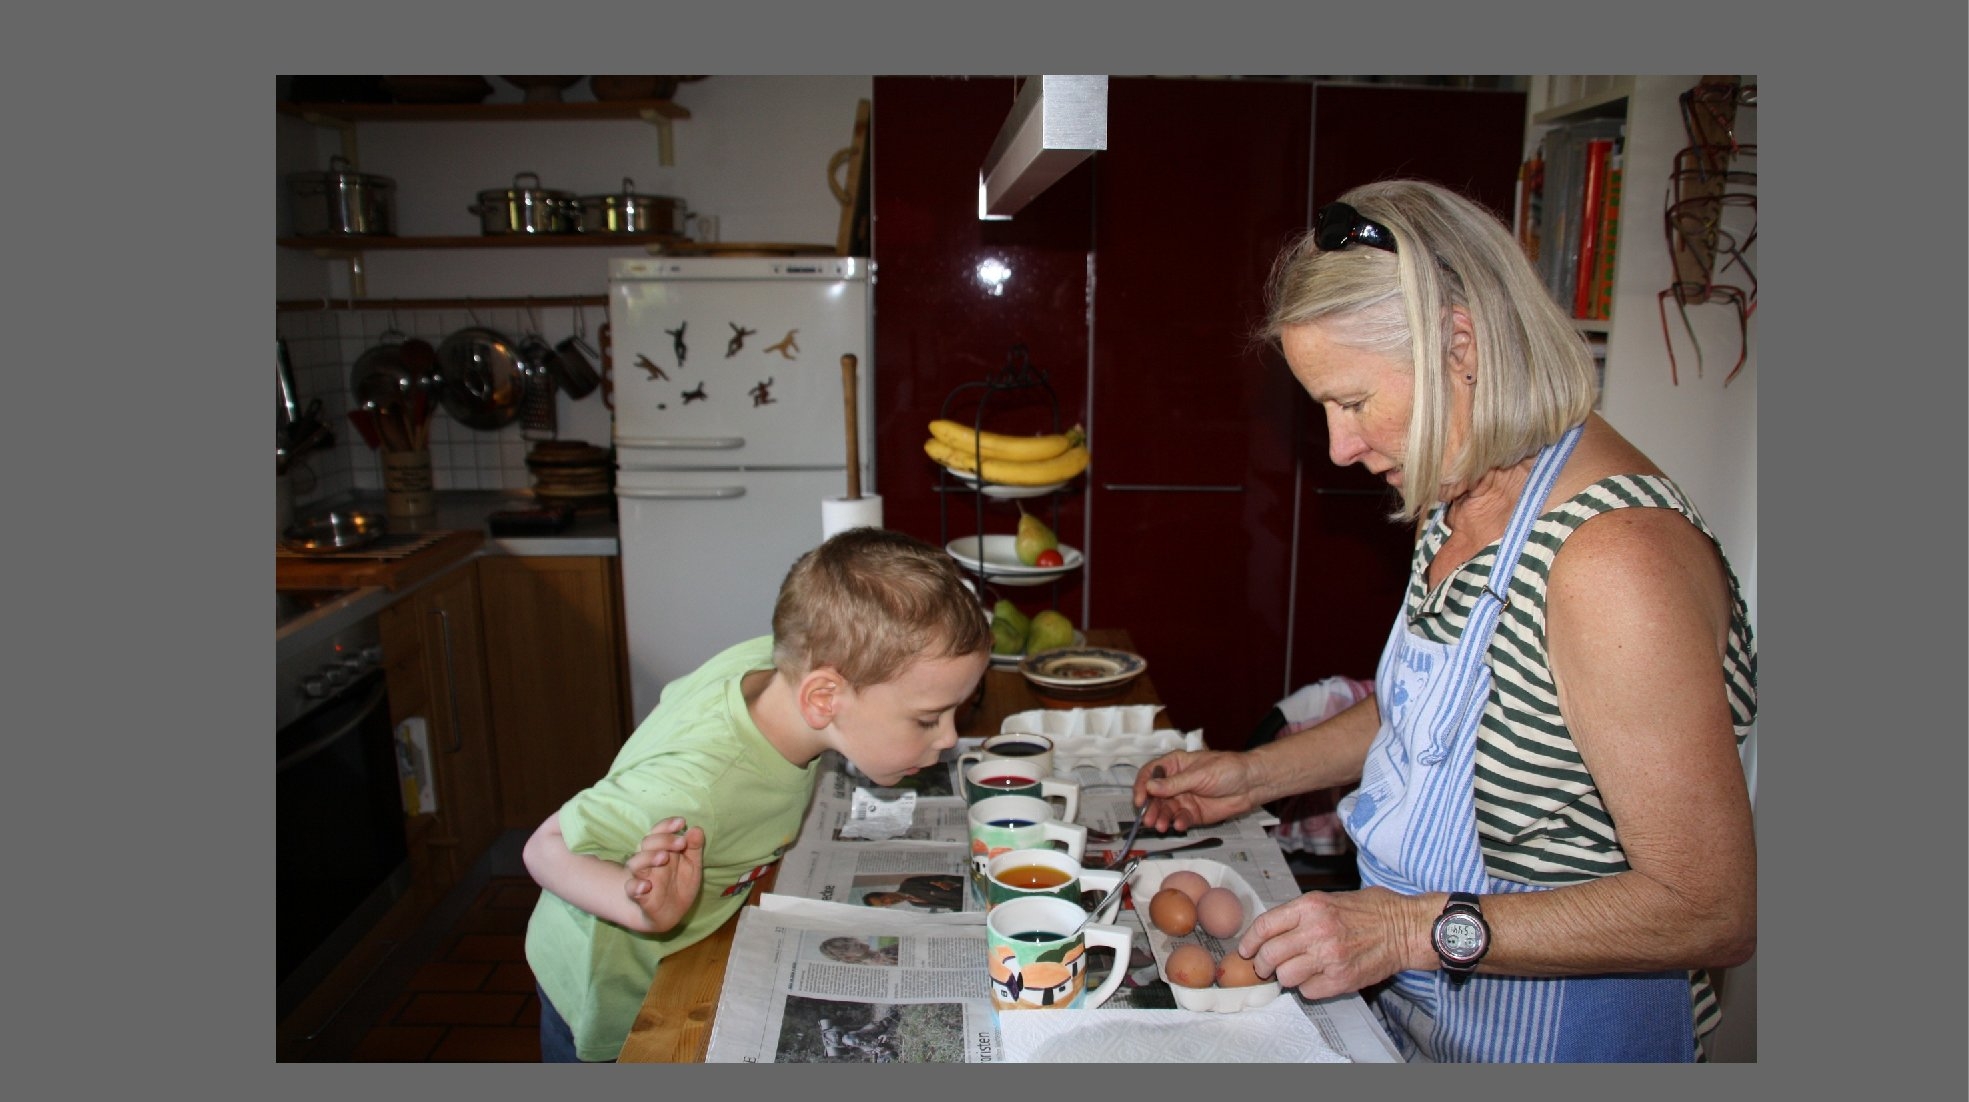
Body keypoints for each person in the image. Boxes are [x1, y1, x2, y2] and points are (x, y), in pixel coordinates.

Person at [1132, 179, 1757, 1063]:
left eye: (1353, 402)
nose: (1339, 447)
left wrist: (1407, 931)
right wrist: (1255, 775)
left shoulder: (1615, 563)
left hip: (1564, 1037)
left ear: (1459, 345)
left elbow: (1709, 909)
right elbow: (1432, 719)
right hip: (1427, 1013)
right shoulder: (1458, 494)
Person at [522, 527, 993, 1062]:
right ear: (823, 698)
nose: (949, 738)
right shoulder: (702, 788)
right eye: (928, 718)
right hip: (604, 986)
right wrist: (642, 908)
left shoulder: (771, 668)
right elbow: (543, 847)